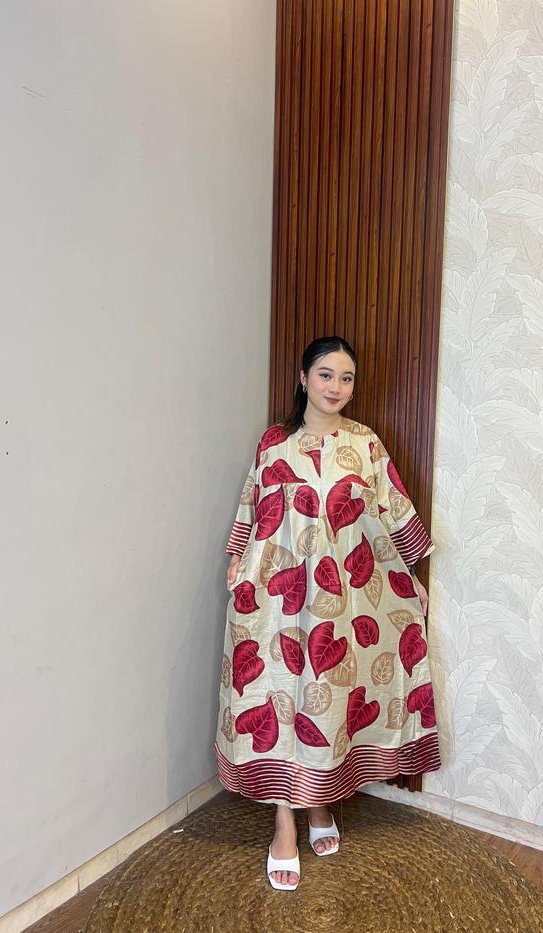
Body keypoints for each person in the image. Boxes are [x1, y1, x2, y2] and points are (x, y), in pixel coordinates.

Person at [214, 336, 440, 890]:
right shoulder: (274, 443)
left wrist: (410, 577)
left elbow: (390, 509)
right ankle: (284, 822)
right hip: (277, 597)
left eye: (346, 378)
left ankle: (319, 802)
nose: (336, 387)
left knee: (328, 696)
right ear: (303, 377)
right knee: (278, 694)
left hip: (344, 598)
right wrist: (237, 560)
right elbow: (252, 506)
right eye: (325, 374)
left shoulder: (365, 443)